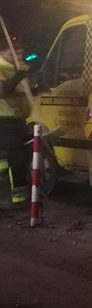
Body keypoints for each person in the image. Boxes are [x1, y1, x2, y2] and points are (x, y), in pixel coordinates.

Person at [0, 39, 31, 206]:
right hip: (4, 121)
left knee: (19, 158)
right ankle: (18, 197)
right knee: (15, 158)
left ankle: (17, 194)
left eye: (21, 53)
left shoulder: (16, 68)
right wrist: (18, 76)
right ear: (3, 52)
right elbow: (2, 90)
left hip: (19, 120)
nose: (19, 56)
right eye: (14, 53)